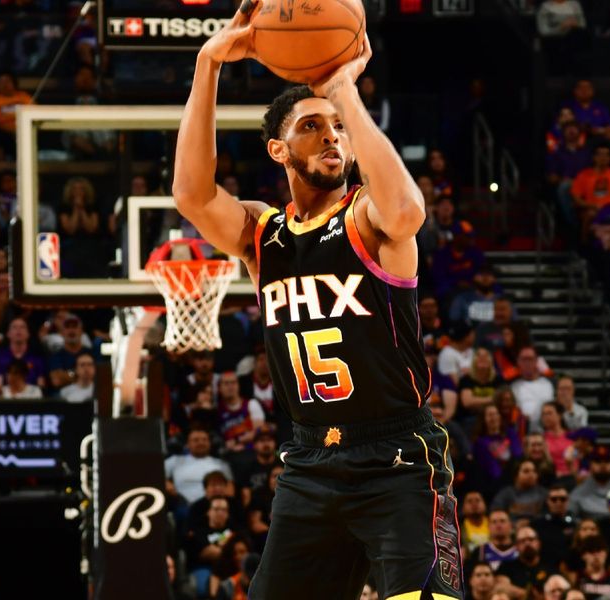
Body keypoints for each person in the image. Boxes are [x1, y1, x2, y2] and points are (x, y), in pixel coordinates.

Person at [174, 9, 462, 599]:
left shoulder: (368, 216)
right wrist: (206, 64)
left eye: (338, 128)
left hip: (399, 458)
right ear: (279, 150)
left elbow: (409, 212)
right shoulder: (263, 234)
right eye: (311, 126)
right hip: (309, 462)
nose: (331, 136)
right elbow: (192, 195)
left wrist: (340, 92)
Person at [165, 428, 234, 505]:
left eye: (204, 440)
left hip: (214, 506)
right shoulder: (174, 461)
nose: (201, 443)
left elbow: (230, 489)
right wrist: (167, 484)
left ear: (209, 443)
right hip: (183, 505)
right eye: (196, 440)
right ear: (187, 444)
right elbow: (155, 474)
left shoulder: (221, 464)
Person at [0, 71, 32, 160]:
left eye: (7, 81)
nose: (5, 85)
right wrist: (8, 128)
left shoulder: (24, 97)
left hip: (24, 132)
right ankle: (0, 163)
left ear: (14, 83)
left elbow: (33, 114)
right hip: (3, 133)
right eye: (1, 82)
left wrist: (15, 127)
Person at [496, 525, 554, 600]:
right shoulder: (506, 567)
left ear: (539, 543)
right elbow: (500, 588)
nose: (527, 543)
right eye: (522, 541)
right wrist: (529, 595)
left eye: (531, 539)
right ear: (516, 546)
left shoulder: (550, 567)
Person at [511, 346, 555, 431]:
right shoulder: (514, 386)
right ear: (518, 362)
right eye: (524, 359)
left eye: (530, 359)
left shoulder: (547, 384)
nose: (527, 363)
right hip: (520, 429)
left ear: (536, 361)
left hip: (545, 429)